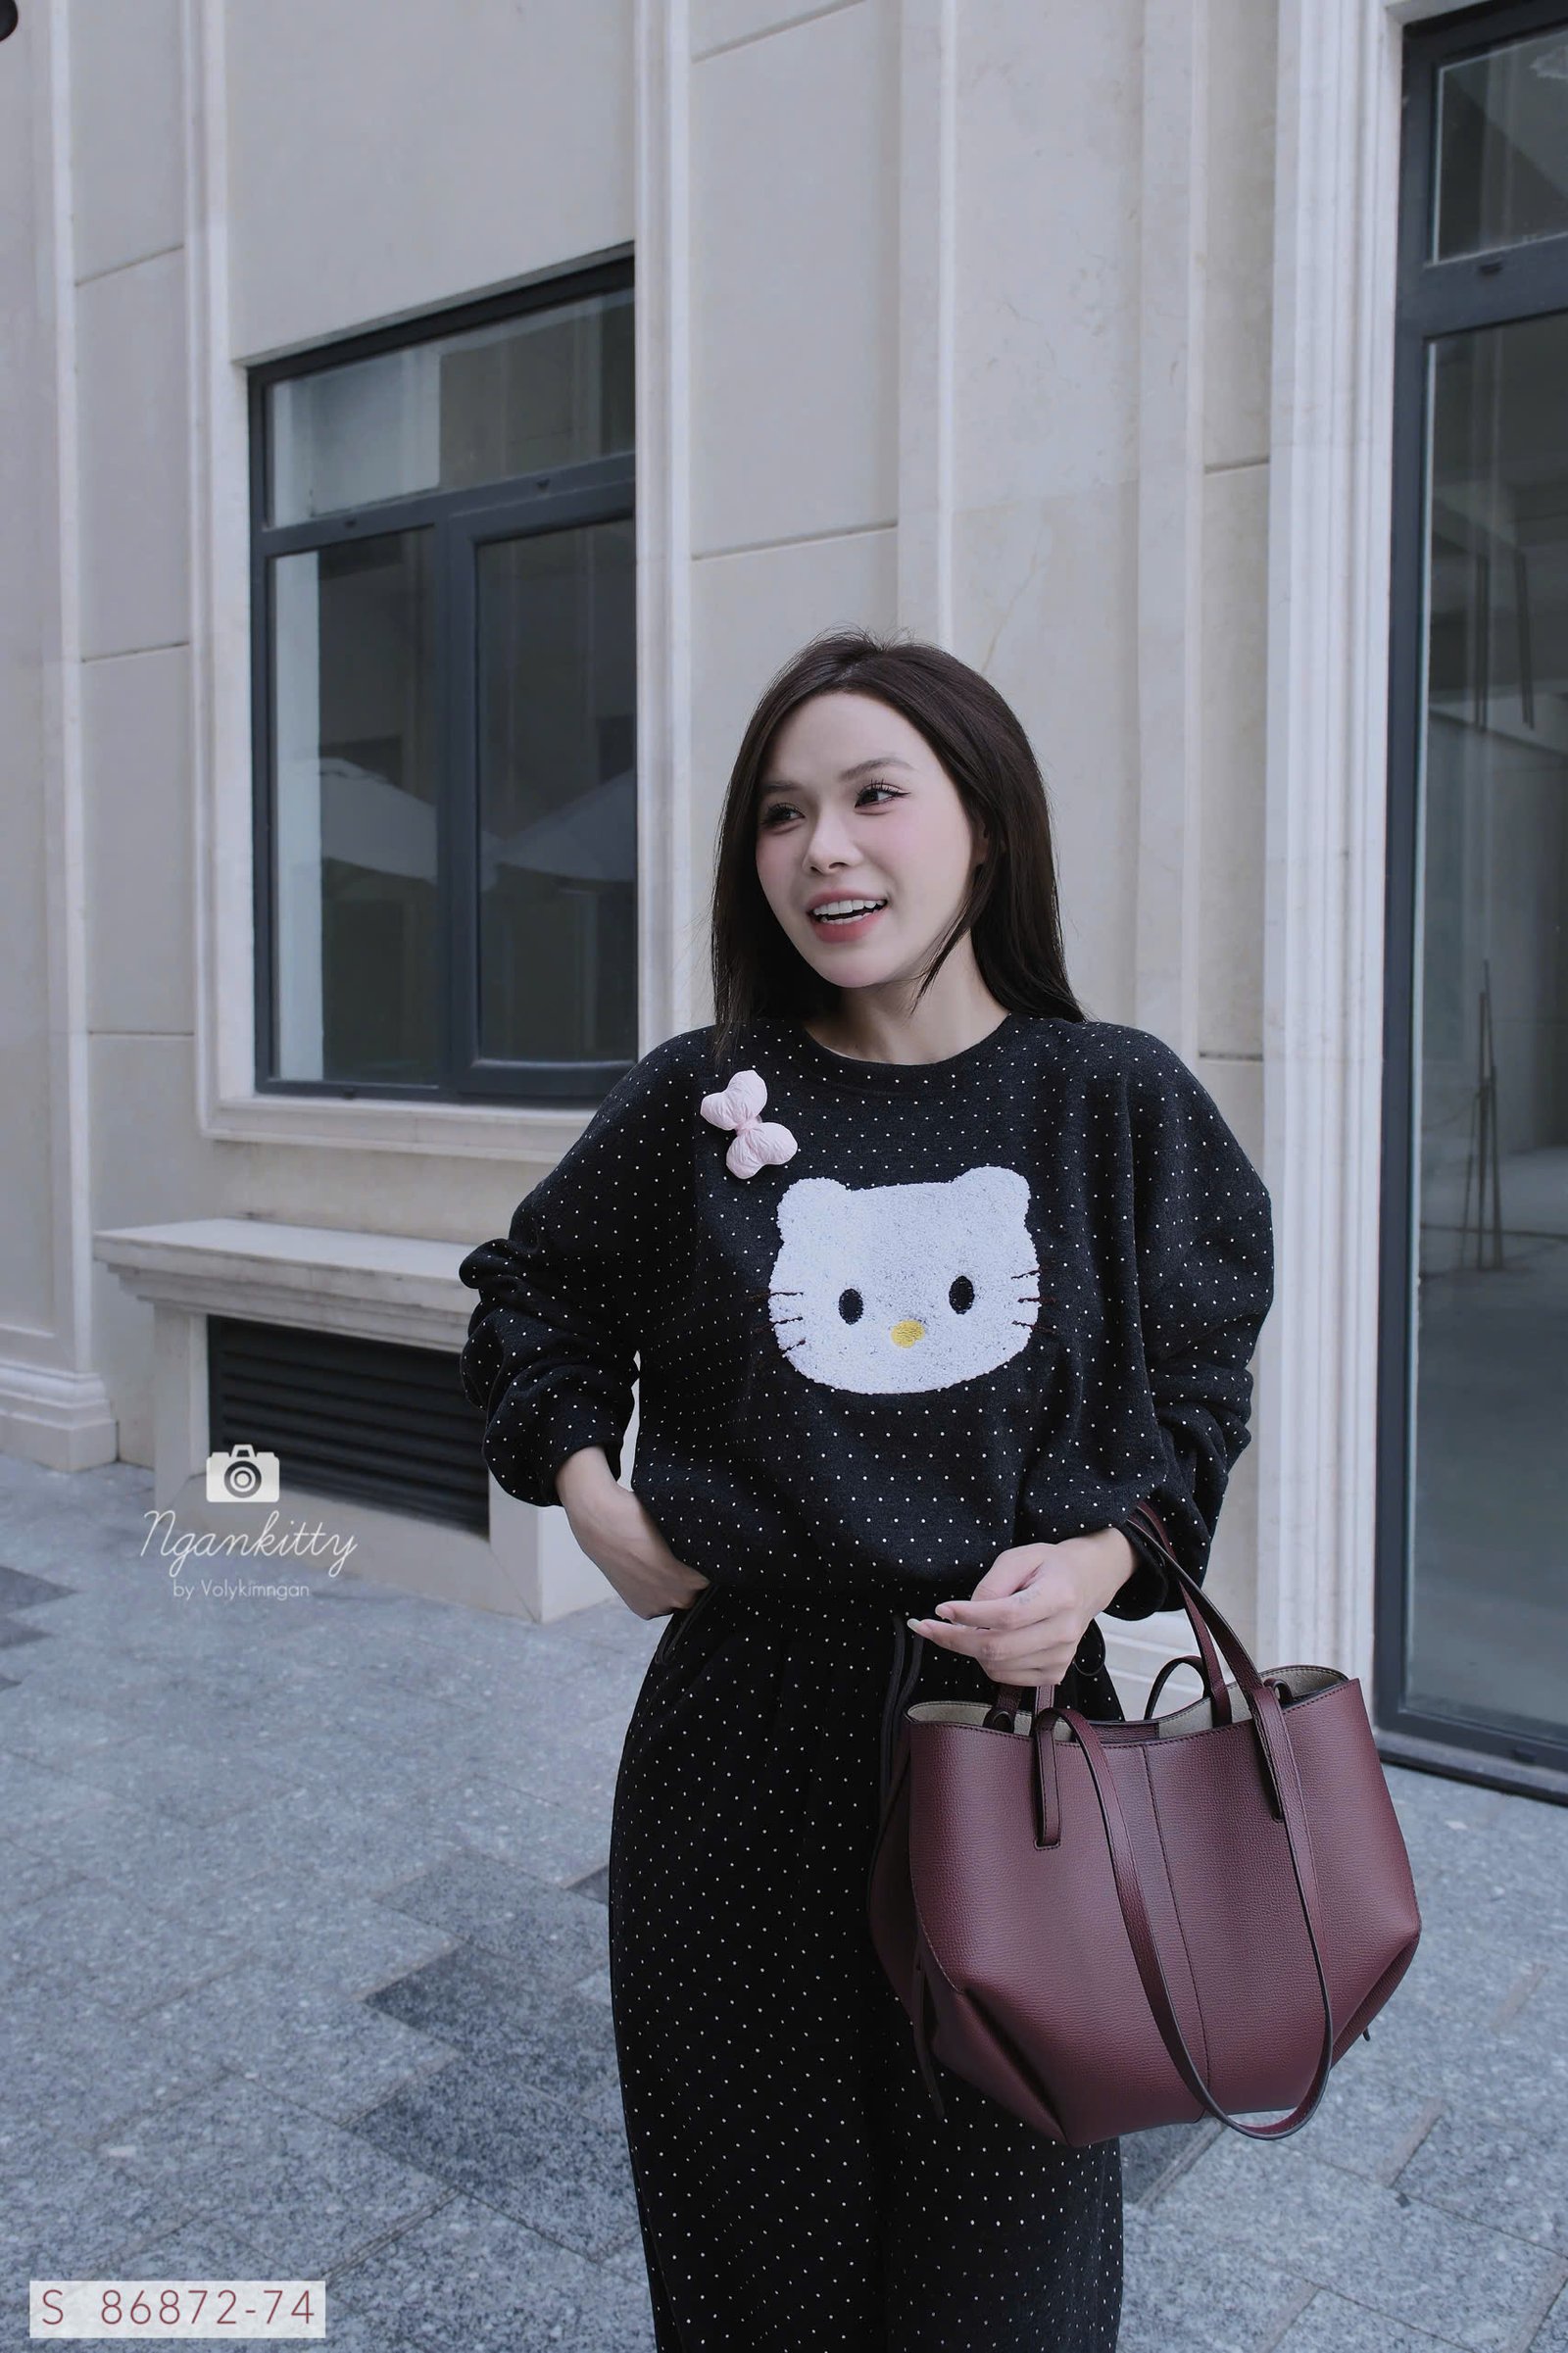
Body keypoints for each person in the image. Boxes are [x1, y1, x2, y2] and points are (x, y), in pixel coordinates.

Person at [457, 626, 1275, 2351]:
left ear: (986, 820)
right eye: (781, 811)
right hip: (739, 1758)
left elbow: (1200, 1391)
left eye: (873, 795)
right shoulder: (703, 1096)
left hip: (1021, 1759)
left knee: (1008, 2292)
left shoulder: (1110, 1100)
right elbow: (534, 1295)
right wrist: (593, 1497)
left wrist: (1096, 1562)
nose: (822, 847)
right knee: (759, 2286)